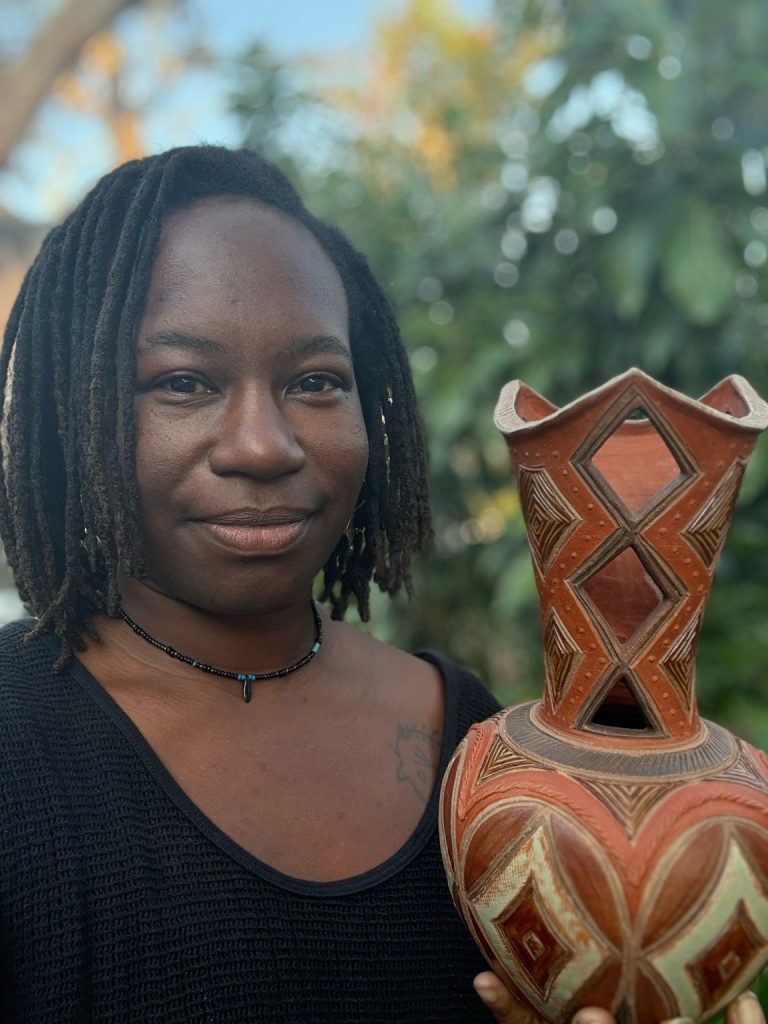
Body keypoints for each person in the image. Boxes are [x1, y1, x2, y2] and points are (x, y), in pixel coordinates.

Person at [0, 145, 761, 1024]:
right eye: (183, 382)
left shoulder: (473, 746)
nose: (263, 445)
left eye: (316, 381)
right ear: (75, 414)